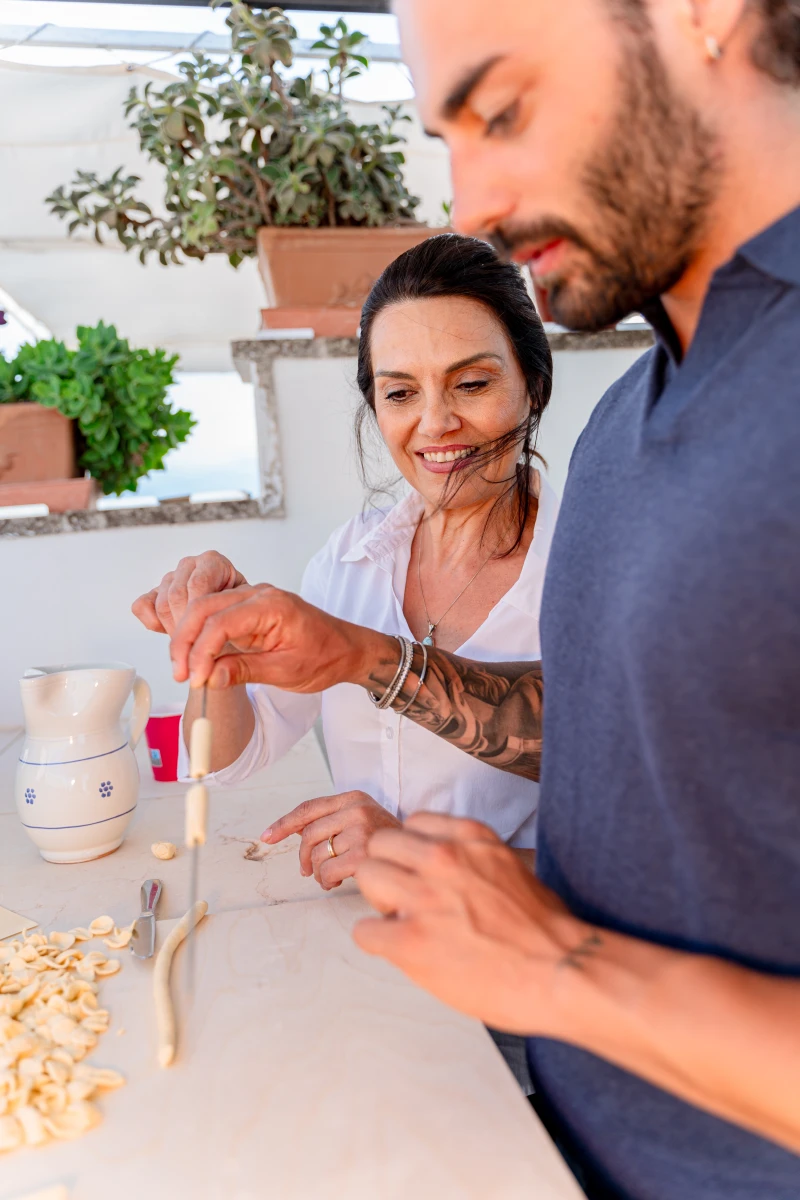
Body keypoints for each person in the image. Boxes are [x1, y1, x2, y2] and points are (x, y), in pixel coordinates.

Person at [164, 1, 800, 1197]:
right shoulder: (629, 434)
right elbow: (606, 762)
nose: (469, 206)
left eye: (500, 110)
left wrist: (557, 965)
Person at [134, 234, 556, 888]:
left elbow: (632, 832)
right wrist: (216, 647)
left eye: (471, 383)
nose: (436, 422)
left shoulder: (583, 566)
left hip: (522, 953)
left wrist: (418, 856)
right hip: (356, 938)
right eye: (400, 393)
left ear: (532, 386)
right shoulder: (350, 562)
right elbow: (231, 760)